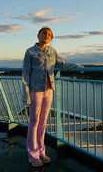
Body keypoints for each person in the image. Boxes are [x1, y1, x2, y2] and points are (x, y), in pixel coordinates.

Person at [22, 27, 82, 167]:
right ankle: (33, 155)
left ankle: (41, 151)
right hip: (35, 90)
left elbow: (62, 64)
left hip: (49, 90)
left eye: (49, 35)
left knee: (43, 122)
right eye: (44, 33)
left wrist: (77, 66)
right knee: (34, 121)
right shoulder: (30, 52)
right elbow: (25, 73)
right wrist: (26, 94)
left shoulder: (52, 51)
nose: (47, 36)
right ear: (38, 35)